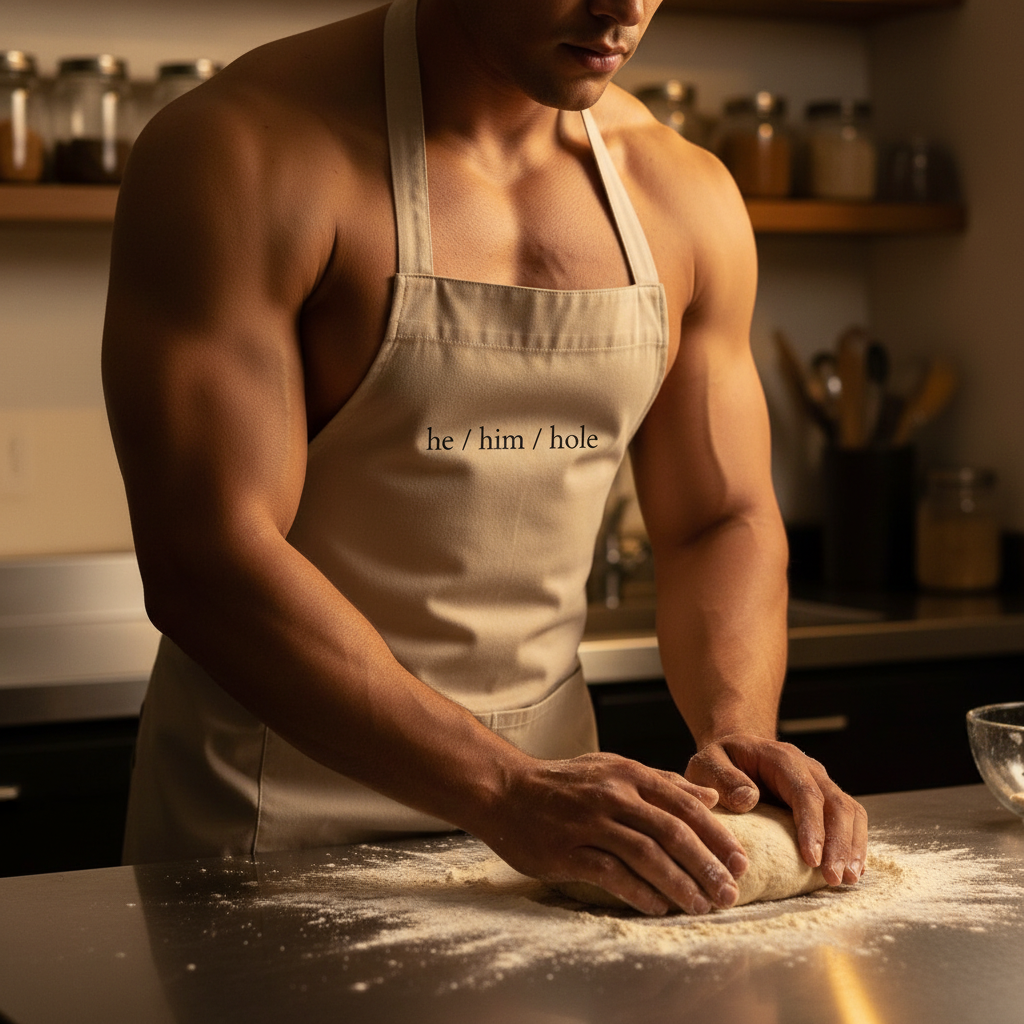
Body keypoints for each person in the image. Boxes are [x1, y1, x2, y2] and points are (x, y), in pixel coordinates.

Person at [103, 0, 867, 917]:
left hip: (563, 836)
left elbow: (718, 518)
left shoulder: (683, 193)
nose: (623, 8)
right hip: (270, 830)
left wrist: (737, 730)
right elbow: (207, 559)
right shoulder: (241, 149)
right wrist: (502, 788)